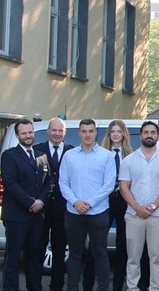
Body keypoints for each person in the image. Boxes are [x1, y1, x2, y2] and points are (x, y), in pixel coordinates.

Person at [59, 119, 115, 291]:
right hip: (74, 212)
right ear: (79, 133)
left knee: (100, 254)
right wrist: (76, 202)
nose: (88, 134)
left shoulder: (107, 156)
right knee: (75, 255)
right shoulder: (69, 156)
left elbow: (109, 185)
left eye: (91, 131)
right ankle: (73, 288)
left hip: (98, 212)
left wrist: (89, 203)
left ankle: (103, 288)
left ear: (96, 133)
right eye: (84, 131)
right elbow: (63, 183)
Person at [120, 121, 159, 291]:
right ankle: (132, 288)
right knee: (133, 257)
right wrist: (137, 207)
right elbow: (124, 187)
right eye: (146, 132)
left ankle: (155, 288)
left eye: (153, 132)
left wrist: (152, 206)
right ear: (141, 135)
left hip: (158, 216)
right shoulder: (128, 160)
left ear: (158, 136)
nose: (149, 135)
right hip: (133, 215)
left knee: (156, 257)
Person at [1, 118, 50, 291]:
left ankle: (35, 288)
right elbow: (10, 184)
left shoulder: (41, 156)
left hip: (37, 217)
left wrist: (41, 201)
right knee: (13, 259)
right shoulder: (9, 155)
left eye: (30, 132)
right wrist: (30, 202)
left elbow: (47, 183)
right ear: (17, 135)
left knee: (35, 258)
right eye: (24, 133)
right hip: (17, 216)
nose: (28, 136)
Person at [85, 119, 134, 291]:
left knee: (122, 246)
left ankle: (118, 286)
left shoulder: (130, 154)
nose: (115, 134)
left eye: (119, 131)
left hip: (123, 200)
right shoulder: (99, 153)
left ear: (124, 134)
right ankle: (88, 284)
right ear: (108, 134)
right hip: (103, 201)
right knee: (96, 245)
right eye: (112, 131)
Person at [34, 117, 73, 291]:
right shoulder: (37, 150)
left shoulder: (72, 152)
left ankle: (56, 286)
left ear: (65, 133)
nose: (57, 133)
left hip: (63, 210)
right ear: (48, 131)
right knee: (37, 250)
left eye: (60, 131)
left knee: (59, 252)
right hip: (40, 209)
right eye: (54, 130)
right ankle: (34, 286)